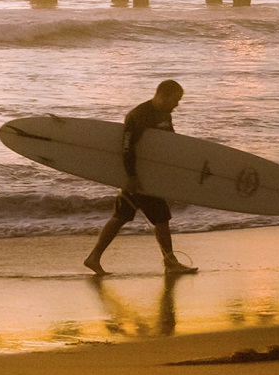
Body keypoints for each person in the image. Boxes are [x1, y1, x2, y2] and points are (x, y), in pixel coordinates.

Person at [84, 80, 199, 276]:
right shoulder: (138, 115)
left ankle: (94, 258)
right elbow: (126, 148)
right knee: (159, 217)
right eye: (175, 100)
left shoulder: (165, 114)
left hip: (149, 177)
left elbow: (167, 144)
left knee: (123, 217)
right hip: (138, 178)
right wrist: (131, 176)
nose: (176, 105)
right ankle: (170, 262)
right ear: (163, 95)